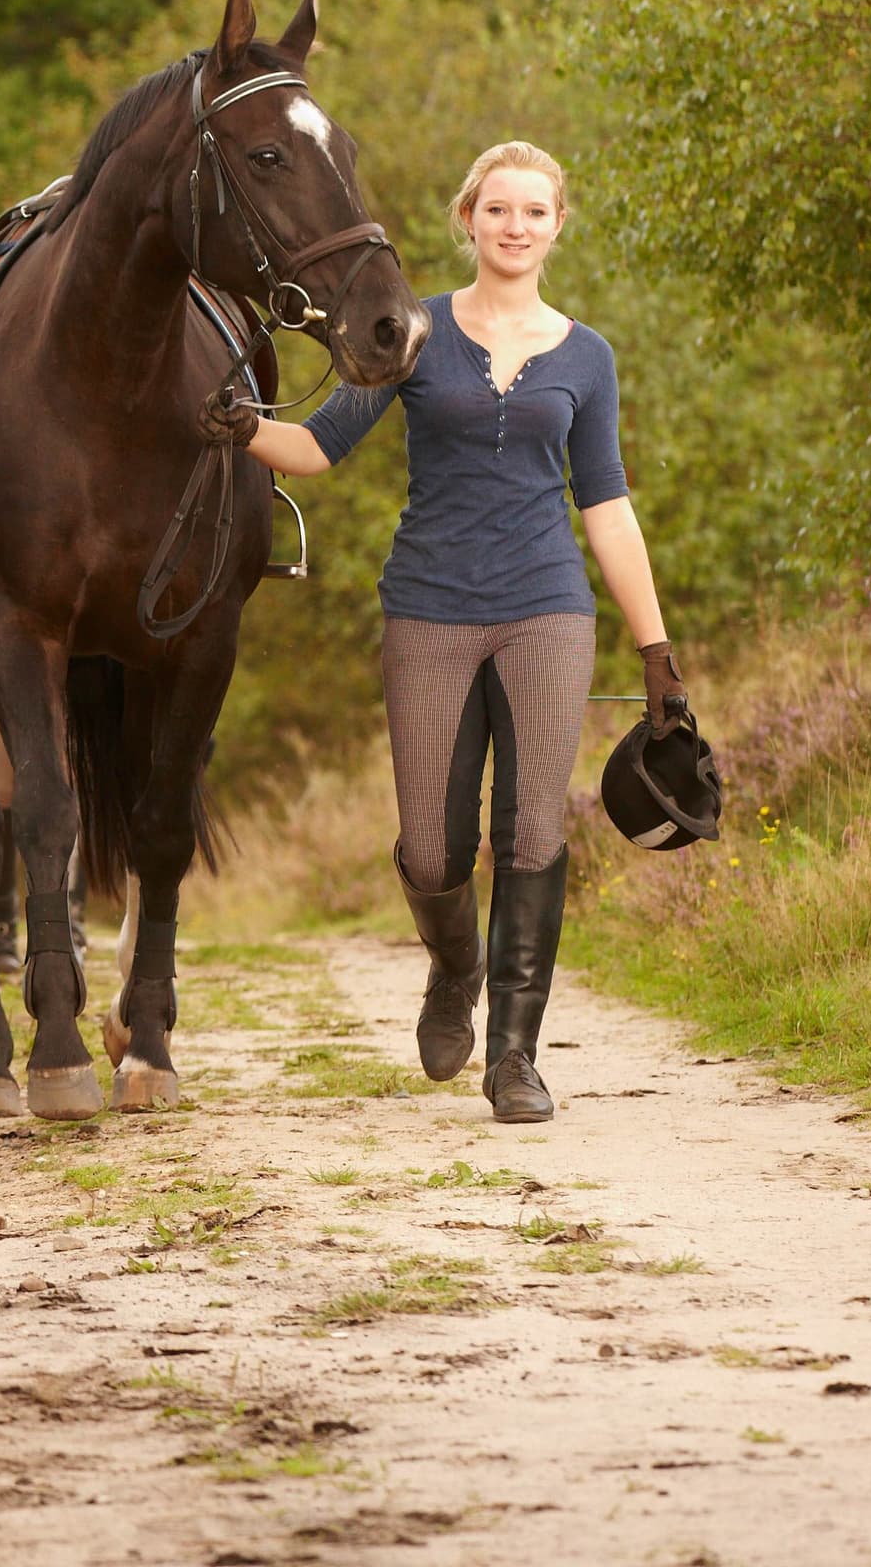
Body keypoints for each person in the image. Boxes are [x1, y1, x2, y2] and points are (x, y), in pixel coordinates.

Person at [221, 141, 678, 1125]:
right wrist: (230, 423)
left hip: (547, 608)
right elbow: (317, 445)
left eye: (534, 211)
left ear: (559, 226)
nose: (515, 226)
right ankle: (454, 970)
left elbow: (607, 506)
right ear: (467, 218)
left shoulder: (587, 356)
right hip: (427, 603)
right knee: (432, 848)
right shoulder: (412, 332)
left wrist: (658, 654)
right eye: (498, 209)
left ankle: (515, 1055)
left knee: (533, 828)